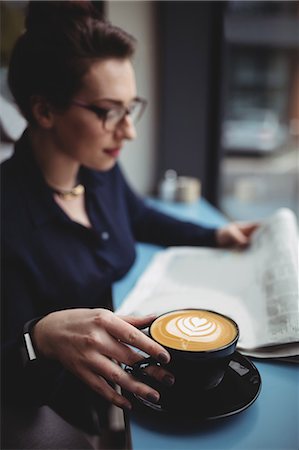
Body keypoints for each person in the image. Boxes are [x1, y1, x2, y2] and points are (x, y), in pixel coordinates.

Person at [1, 2, 258, 448]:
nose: (129, 132)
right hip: (66, 402)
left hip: (132, 377)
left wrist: (215, 234)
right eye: (108, 112)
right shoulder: (8, 219)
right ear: (44, 112)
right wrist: (38, 338)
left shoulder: (98, 171)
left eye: (130, 108)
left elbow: (138, 216)